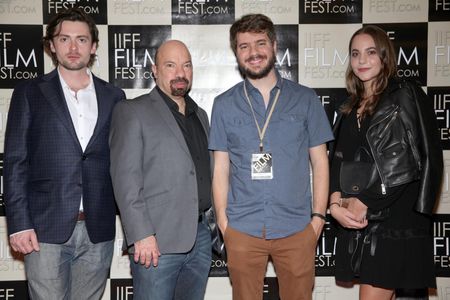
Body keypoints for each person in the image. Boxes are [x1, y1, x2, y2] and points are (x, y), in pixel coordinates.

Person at [3, 7, 125, 299]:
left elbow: (123, 164)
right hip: (44, 229)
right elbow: (15, 162)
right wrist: (19, 224)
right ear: (52, 45)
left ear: (93, 46)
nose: (73, 47)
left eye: (82, 40)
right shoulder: (29, 92)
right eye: (65, 39)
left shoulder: (115, 97)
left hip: (98, 228)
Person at [209, 14, 333, 300]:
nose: (253, 53)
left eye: (260, 43)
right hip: (242, 228)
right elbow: (221, 169)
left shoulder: (305, 99)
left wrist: (317, 220)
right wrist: (225, 225)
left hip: (297, 228)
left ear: (274, 45)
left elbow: (321, 162)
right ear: (236, 53)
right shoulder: (224, 105)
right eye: (244, 46)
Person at [329, 25, 443, 300]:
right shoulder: (347, 107)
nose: (362, 60)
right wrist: (334, 204)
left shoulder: (404, 95)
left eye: (370, 52)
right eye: (355, 54)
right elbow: (337, 161)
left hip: (396, 220)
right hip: (363, 220)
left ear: (384, 57)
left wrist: (364, 201)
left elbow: (409, 161)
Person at [109, 40, 212, 300]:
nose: (181, 72)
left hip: (199, 238)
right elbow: (125, 179)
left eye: (186, 65)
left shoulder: (200, 116)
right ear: (155, 70)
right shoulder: (133, 111)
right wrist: (142, 235)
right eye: (171, 65)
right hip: (156, 242)